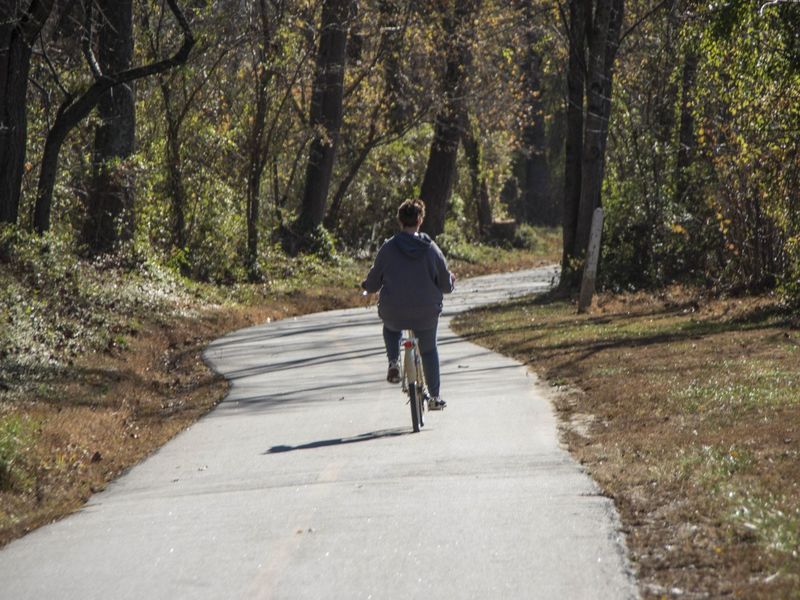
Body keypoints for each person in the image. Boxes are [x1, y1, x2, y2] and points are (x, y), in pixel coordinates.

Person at [361, 199, 455, 410]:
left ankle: (394, 361)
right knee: (429, 350)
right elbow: (445, 284)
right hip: (426, 313)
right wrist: (451, 282)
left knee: (391, 327)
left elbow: (374, 281)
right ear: (420, 220)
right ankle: (434, 397)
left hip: (394, 311)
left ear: (400, 221)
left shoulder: (388, 248)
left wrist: (366, 286)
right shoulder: (431, 249)